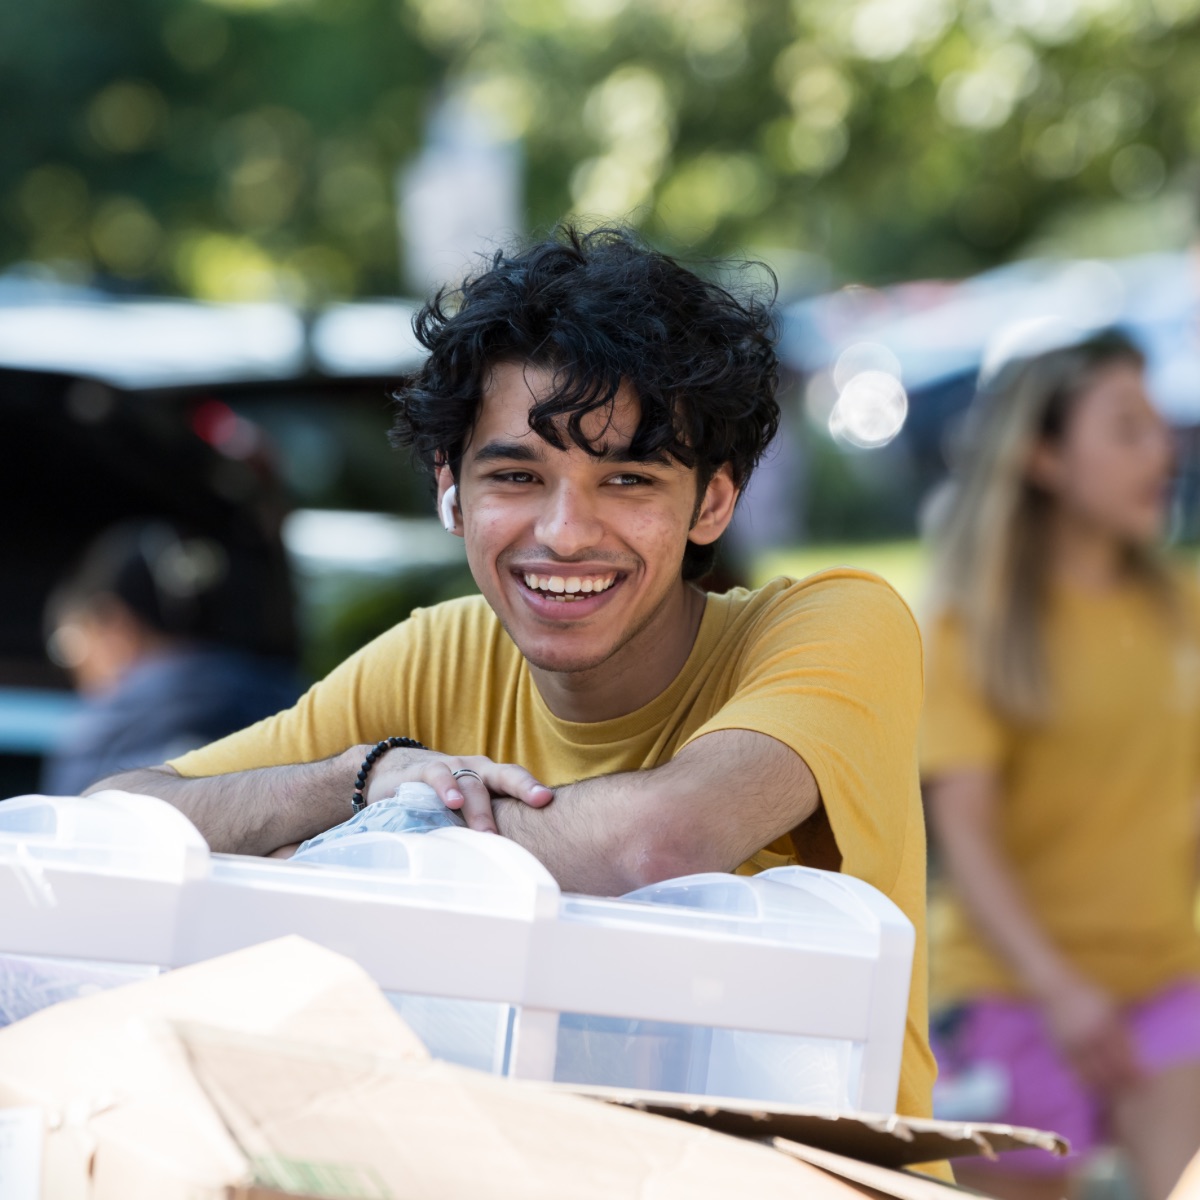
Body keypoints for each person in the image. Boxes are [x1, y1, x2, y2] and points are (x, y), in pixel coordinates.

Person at [88, 226, 942, 1149]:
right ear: (451, 492)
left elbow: (661, 843)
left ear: (714, 502)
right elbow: (120, 822)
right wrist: (362, 779)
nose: (567, 532)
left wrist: (393, 835)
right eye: (517, 475)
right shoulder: (436, 655)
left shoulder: (835, 626)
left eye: (627, 478)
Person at [921, 328, 1200, 1200]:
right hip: (1013, 992)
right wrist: (1062, 990)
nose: (1163, 448)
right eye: (1126, 428)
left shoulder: (1180, 611)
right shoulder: (970, 631)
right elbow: (965, 837)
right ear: (1043, 457)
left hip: (1163, 982)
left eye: (1157, 425)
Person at [43, 520, 301, 795]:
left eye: (69, 646)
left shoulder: (98, 737)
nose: (76, 673)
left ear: (114, 624)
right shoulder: (289, 702)